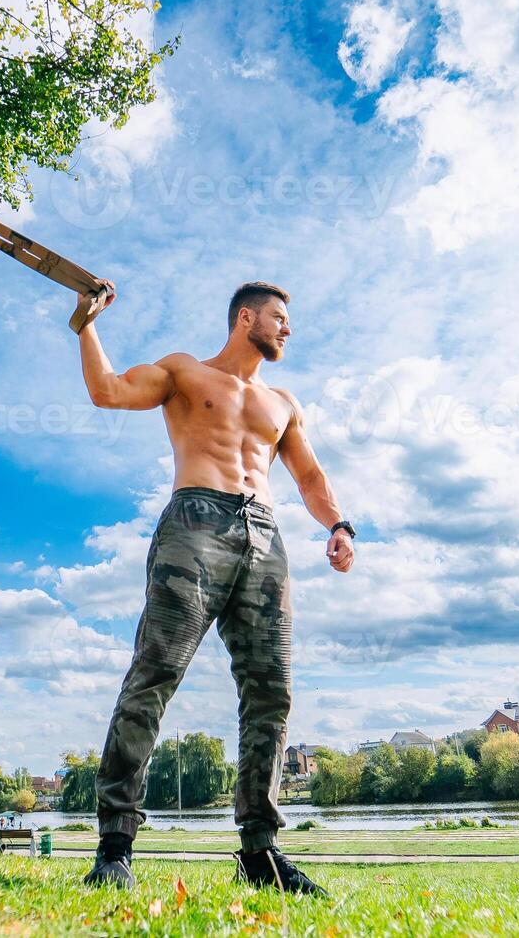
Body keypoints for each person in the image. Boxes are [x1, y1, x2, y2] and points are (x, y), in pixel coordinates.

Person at [76, 281, 354, 896]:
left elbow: (309, 476)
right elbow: (109, 391)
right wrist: (85, 326)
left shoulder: (283, 401)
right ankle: (115, 846)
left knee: (271, 695)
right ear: (246, 317)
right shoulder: (184, 371)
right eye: (280, 318)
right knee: (154, 675)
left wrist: (337, 523)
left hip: (266, 537)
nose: (287, 330)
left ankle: (261, 853)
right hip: (194, 523)